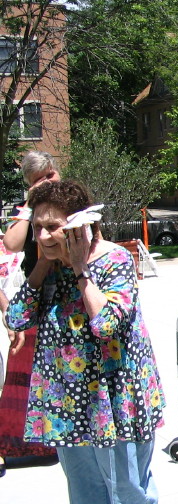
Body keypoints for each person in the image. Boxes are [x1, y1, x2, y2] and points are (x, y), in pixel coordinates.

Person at [4, 180, 165, 503]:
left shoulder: (114, 259)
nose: (43, 236)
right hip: (69, 401)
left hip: (114, 398)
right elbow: (16, 319)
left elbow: (106, 324)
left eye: (53, 227)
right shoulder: (49, 268)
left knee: (127, 491)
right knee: (85, 493)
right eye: (38, 227)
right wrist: (43, 263)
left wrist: (80, 267)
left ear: (80, 225)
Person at [0, 151, 59, 474]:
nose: (47, 183)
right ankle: (25, 444)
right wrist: (29, 204)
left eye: (50, 175)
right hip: (37, 293)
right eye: (39, 179)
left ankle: (57, 438)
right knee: (24, 367)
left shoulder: (71, 201)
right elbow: (11, 244)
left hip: (67, 292)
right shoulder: (26, 209)